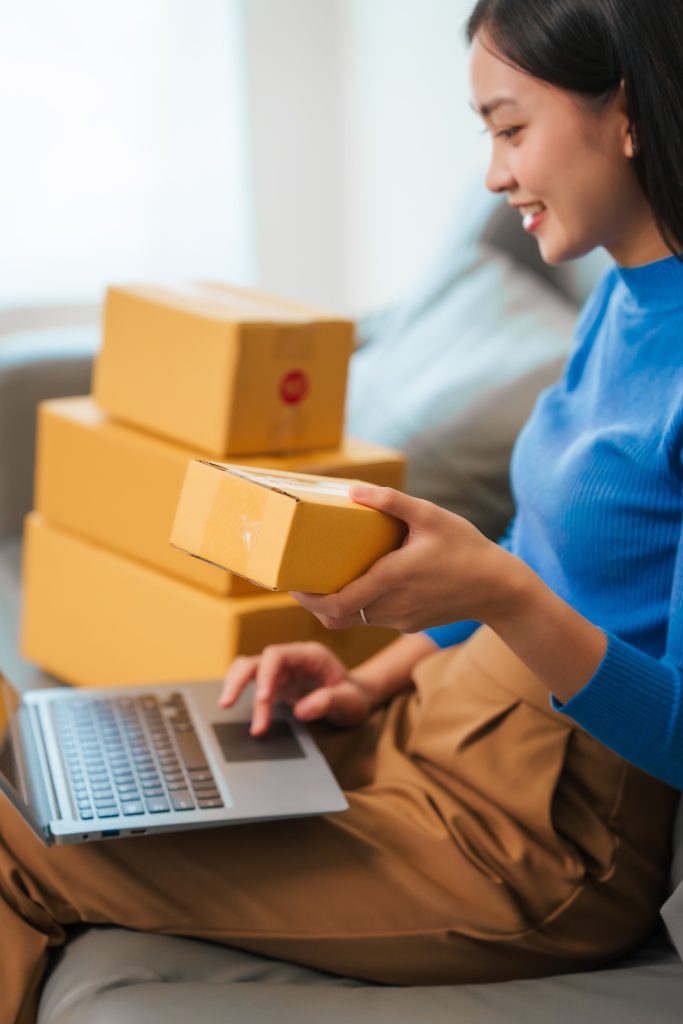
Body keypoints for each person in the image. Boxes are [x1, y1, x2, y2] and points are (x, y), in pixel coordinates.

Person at [2, 1, 683, 1020]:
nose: (493, 177)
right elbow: (545, 551)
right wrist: (365, 682)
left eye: (507, 128)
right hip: (439, 713)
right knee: (30, 740)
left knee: (22, 842)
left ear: (622, 108)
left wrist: (494, 589)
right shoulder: (620, 294)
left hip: (540, 837)